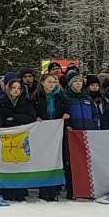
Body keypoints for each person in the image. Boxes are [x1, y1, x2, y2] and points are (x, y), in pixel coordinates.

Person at [0, 79, 36, 202]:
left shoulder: (26, 102)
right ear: (8, 89)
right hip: (7, 137)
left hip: (22, 137)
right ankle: (7, 189)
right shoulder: (2, 102)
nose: (16, 90)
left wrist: (14, 118)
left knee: (21, 163)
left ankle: (20, 190)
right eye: (13, 87)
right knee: (8, 162)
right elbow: (0, 119)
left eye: (18, 88)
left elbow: (31, 117)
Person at [34, 73, 66, 201]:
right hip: (42, 133)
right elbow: (33, 111)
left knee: (56, 160)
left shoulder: (60, 96)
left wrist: (65, 115)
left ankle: (53, 191)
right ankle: (43, 190)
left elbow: (65, 110)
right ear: (42, 82)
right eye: (49, 82)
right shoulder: (36, 97)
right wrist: (35, 117)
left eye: (53, 82)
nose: (51, 84)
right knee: (43, 161)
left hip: (57, 132)